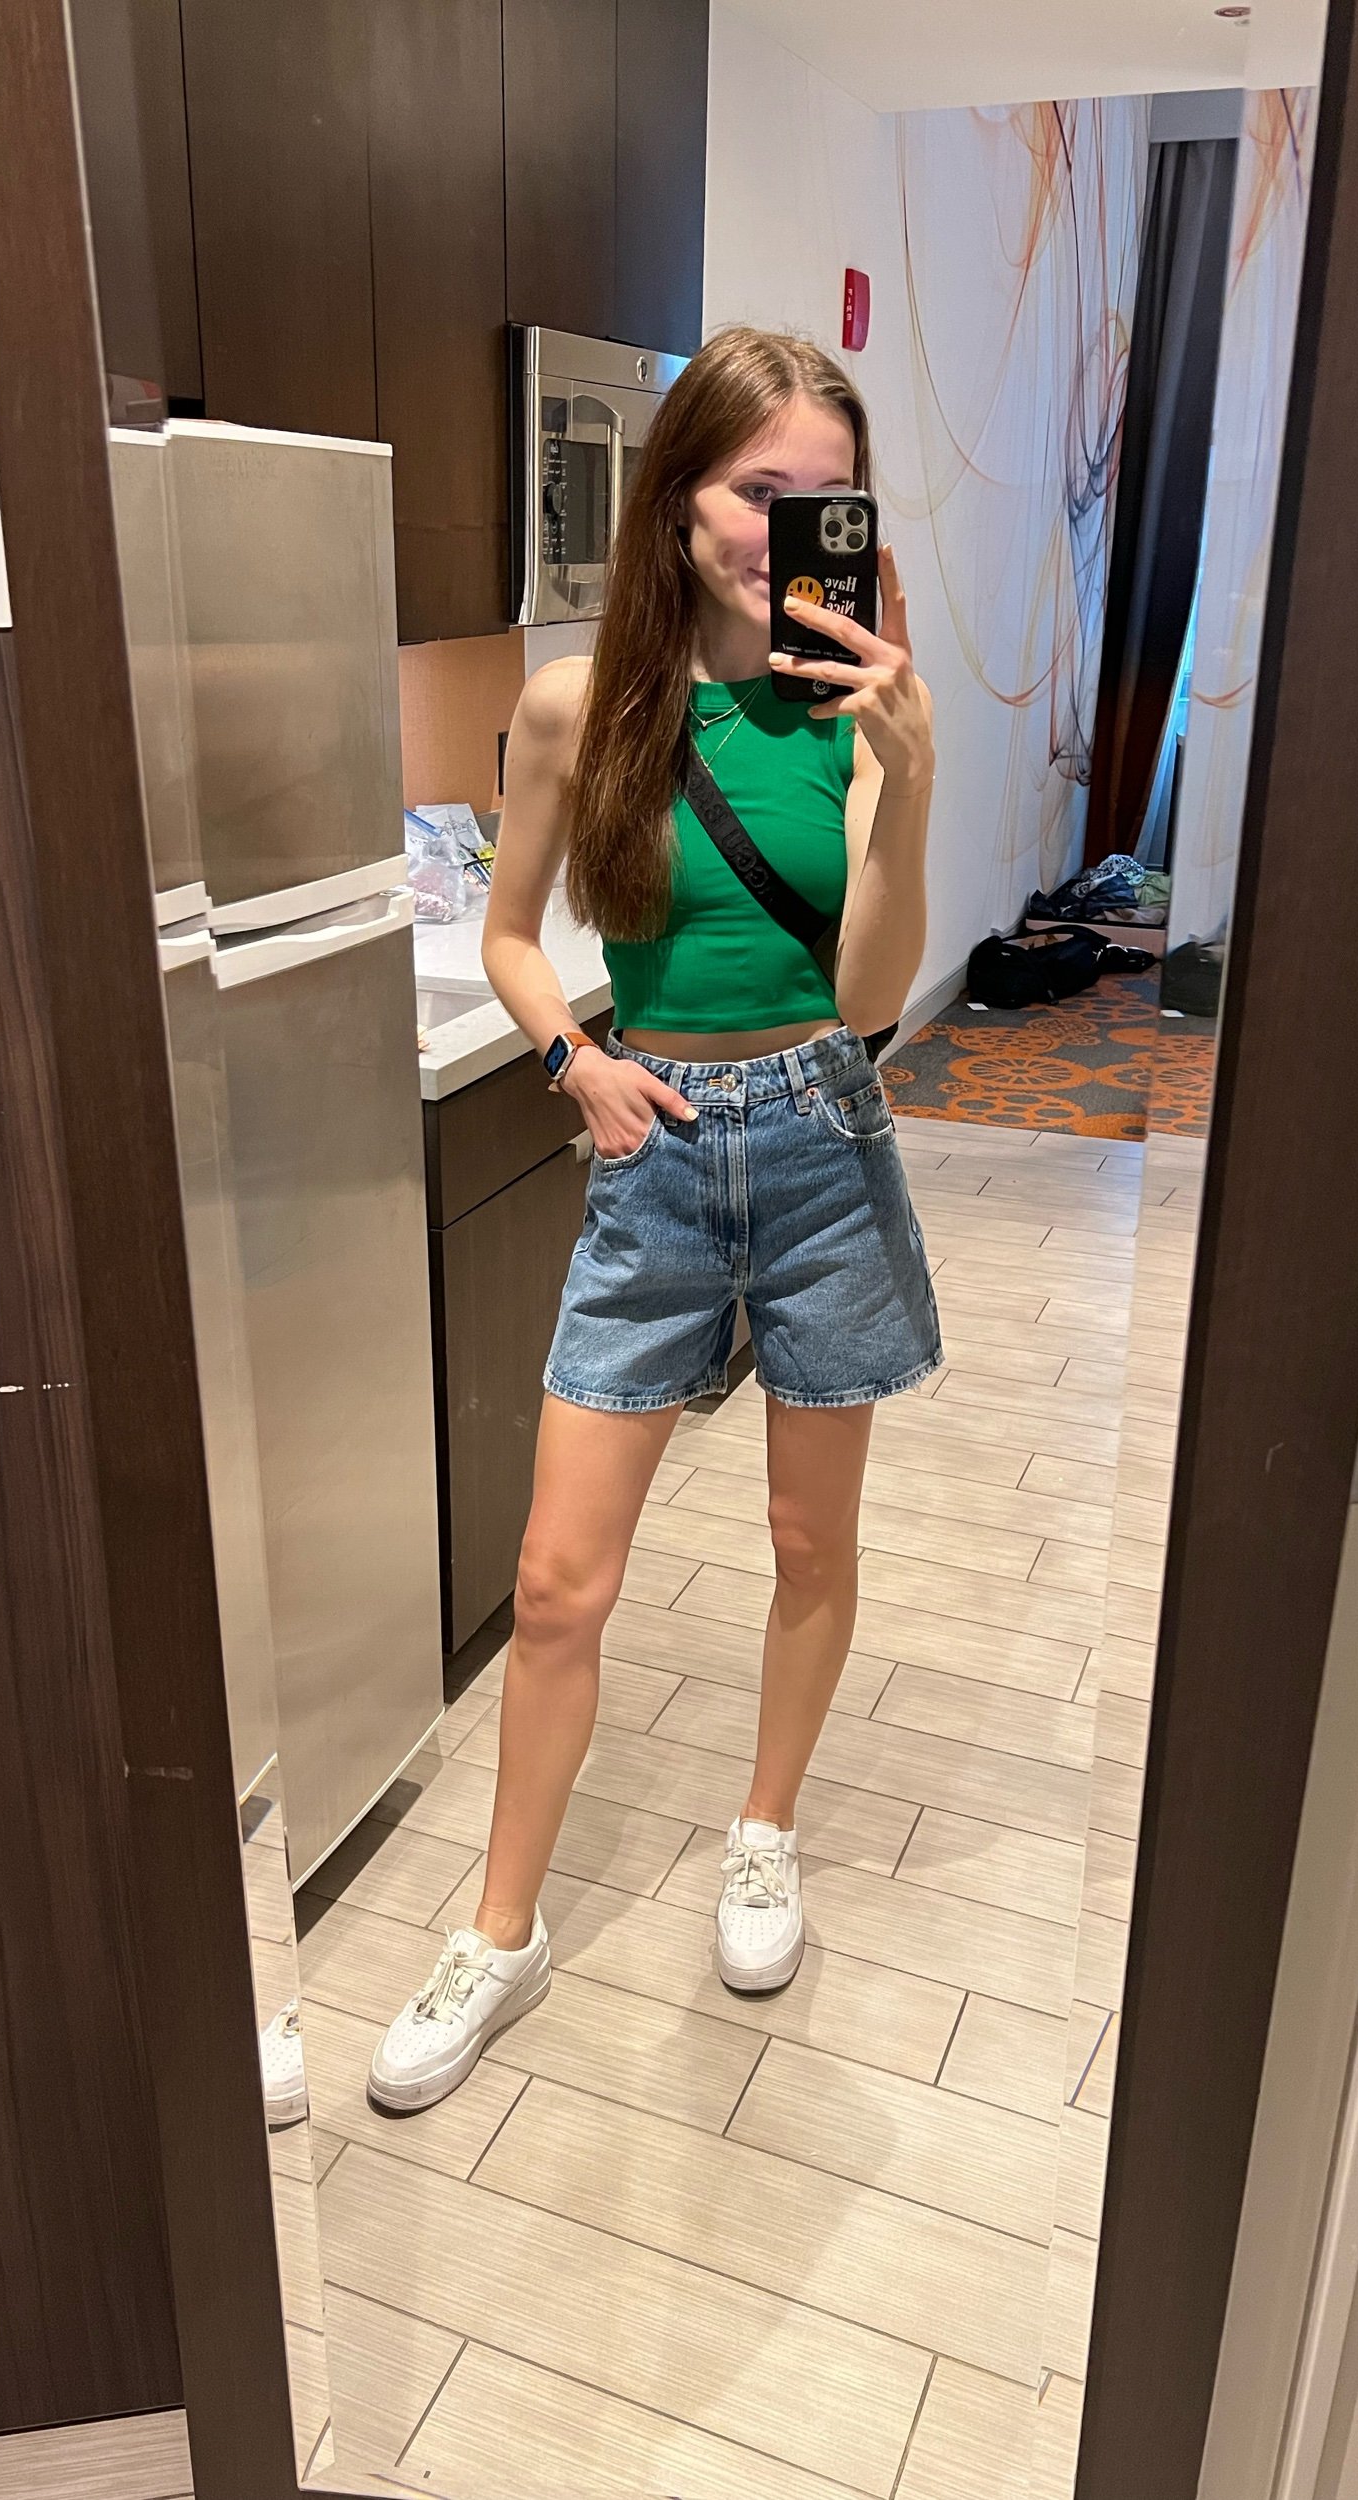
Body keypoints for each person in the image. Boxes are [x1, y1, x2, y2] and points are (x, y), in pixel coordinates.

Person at [368, 327, 939, 2114]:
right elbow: (511, 932)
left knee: (808, 1543)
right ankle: (501, 1930)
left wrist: (908, 782)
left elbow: (870, 998)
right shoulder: (576, 706)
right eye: (757, 491)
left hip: (824, 1139)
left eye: (825, 498)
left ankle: (763, 1831)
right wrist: (574, 1061)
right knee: (557, 1581)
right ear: (678, 498)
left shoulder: (858, 716)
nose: (787, 529)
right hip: (660, 1151)